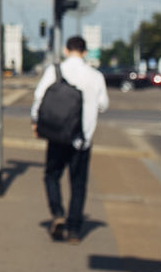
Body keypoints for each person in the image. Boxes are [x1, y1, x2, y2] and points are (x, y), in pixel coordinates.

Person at [30, 35, 109, 244]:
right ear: (84, 53)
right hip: (83, 139)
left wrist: (35, 122)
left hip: (57, 135)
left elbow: (39, 97)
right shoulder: (95, 76)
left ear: (66, 50)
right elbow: (103, 105)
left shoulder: (54, 71)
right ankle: (74, 230)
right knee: (78, 183)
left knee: (51, 175)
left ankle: (58, 214)